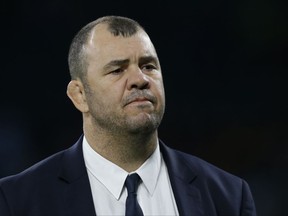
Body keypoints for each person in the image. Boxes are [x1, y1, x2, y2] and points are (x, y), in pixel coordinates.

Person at [0, 15, 257, 216]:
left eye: (148, 66)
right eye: (117, 70)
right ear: (79, 95)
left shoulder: (228, 196)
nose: (140, 79)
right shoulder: (18, 200)